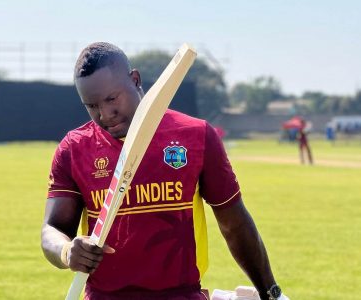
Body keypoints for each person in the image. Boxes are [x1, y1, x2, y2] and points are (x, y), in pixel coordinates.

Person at [41, 42, 286, 300]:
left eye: (112, 99)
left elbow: (233, 224)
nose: (105, 114)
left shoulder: (196, 135)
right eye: (91, 106)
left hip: (182, 295)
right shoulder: (74, 148)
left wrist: (271, 292)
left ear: (135, 79)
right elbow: (52, 229)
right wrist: (68, 251)